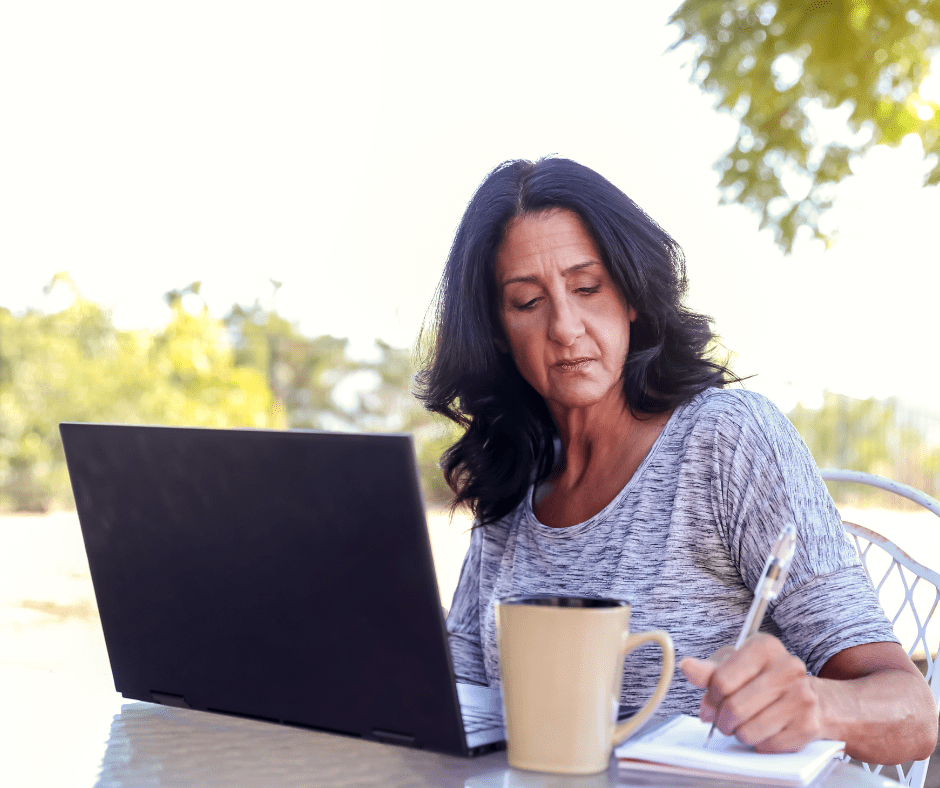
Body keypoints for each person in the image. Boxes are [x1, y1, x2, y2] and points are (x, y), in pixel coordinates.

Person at [415, 157, 937, 764]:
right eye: (528, 301)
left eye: (588, 288)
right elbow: (460, 701)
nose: (565, 326)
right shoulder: (514, 480)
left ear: (632, 296)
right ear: (498, 330)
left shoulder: (725, 439)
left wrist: (815, 705)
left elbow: (912, 714)